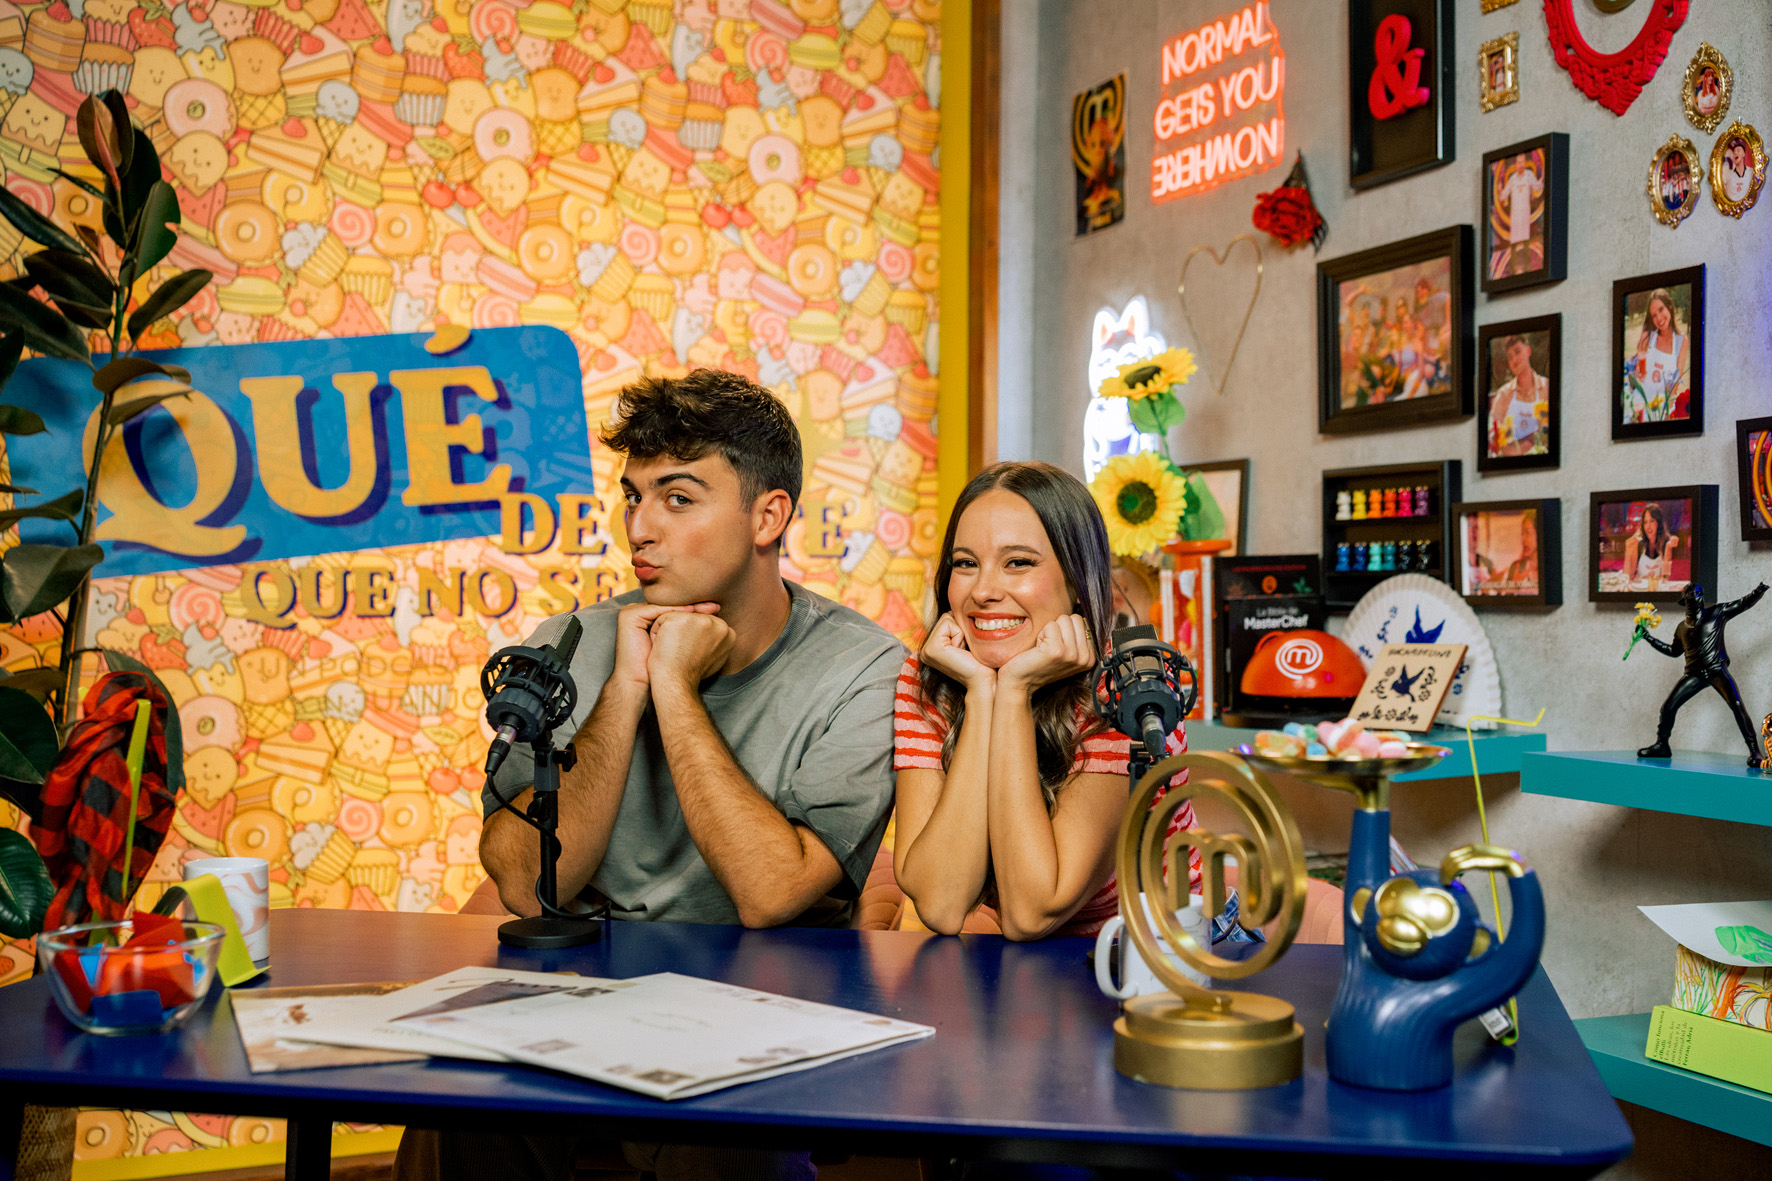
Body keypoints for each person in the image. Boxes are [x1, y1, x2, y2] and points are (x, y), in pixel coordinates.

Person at [398, 369, 903, 1181]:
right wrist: (626, 686)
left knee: (726, 1149)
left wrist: (674, 686)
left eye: (677, 498)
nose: (639, 527)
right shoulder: (569, 641)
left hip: (762, 1007)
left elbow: (771, 894)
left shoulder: (864, 668)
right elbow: (526, 882)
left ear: (768, 516)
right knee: (458, 1115)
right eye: (633, 497)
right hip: (586, 994)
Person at [891, 461, 1201, 940]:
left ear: (1077, 581)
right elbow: (940, 903)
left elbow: (1031, 913)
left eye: (1018, 563)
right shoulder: (932, 676)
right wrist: (983, 692)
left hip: (1155, 958)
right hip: (1023, 970)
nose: (983, 591)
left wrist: (1015, 690)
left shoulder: (1128, 687)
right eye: (965, 563)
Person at [1635, 582, 1769, 768]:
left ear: (1702, 598)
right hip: (1694, 674)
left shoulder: (1717, 613)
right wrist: (1649, 638)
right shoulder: (1681, 628)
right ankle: (1662, 745)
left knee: (1737, 706)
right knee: (1667, 708)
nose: (1694, 598)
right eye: (1690, 595)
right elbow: (1673, 651)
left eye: (1697, 594)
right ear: (1684, 601)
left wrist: (1759, 591)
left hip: (1717, 671)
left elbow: (1743, 603)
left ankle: (1755, 751)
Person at [1629, 289, 1690, 421]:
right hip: (1642, 405)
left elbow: (1674, 386)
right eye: (1654, 315)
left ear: (1669, 306)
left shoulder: (1681, 341)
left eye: (1661, 310)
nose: (1659, 318)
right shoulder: (1648, 337)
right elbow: (1638, 374)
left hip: (1663, 410)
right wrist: (1638, 371)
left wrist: (1665, 415)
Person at [1488, 334, 1549, 458]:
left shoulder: (1547, 387)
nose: (1514, 360)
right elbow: (1493, 435)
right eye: (1510, 357)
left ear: (1528, 351)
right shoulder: (1503, 394)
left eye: (1517, 352)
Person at [1495, 155, 1543, 276]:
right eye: (1518, 162)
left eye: (1522, 162)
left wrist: (1542, 179)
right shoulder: (1512, 179)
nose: (1520, 165)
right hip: (1515, 214)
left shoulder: (1529, 175)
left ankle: (1527, 268)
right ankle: (1512, 270)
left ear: (1524, 163)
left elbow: (1537, 187)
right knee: (1514, 242)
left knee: (1525, 241)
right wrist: (1499, 191)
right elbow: (1504, 195)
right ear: (1516, 164)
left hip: (1525, 213)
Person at [1623, 502, 1679, 590]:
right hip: (1640, 591)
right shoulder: (1638, 544)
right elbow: (1628, 577)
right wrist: (1628, 550)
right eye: (1645, 522)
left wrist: (1668, 547)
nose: (1648, 527)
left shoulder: (1666, 542)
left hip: (1658, 591)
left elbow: (1665, 577)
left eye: (1652, 521)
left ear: (1658, 523)